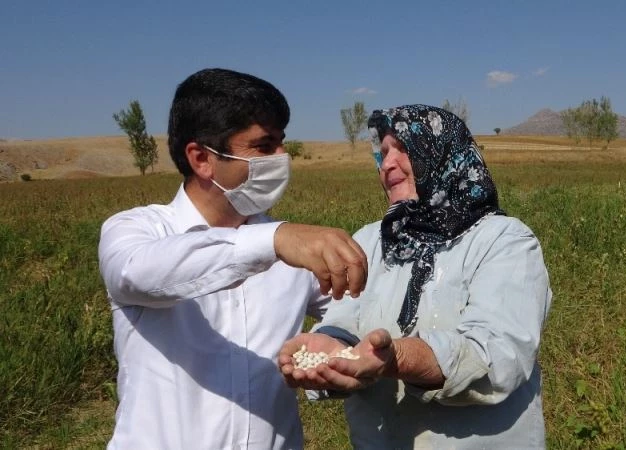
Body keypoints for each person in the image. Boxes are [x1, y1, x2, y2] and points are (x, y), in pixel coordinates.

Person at [98, 68, 368, 449]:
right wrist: (272, 241)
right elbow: (135, 273)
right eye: (263, 146)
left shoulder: (289, 250)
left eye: (281, 143)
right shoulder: (137, 230)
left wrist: (337, 344)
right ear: (201, 159)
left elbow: (353, 310)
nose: (282, 158)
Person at [279, 105, 553, 449]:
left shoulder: (503, 240)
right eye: (382, 154)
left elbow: (498, 355)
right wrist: (332, 347)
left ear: (443, 154)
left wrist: (399, 359)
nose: (387, 164)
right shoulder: (371, 240)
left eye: (403, 149)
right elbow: (344, 317)